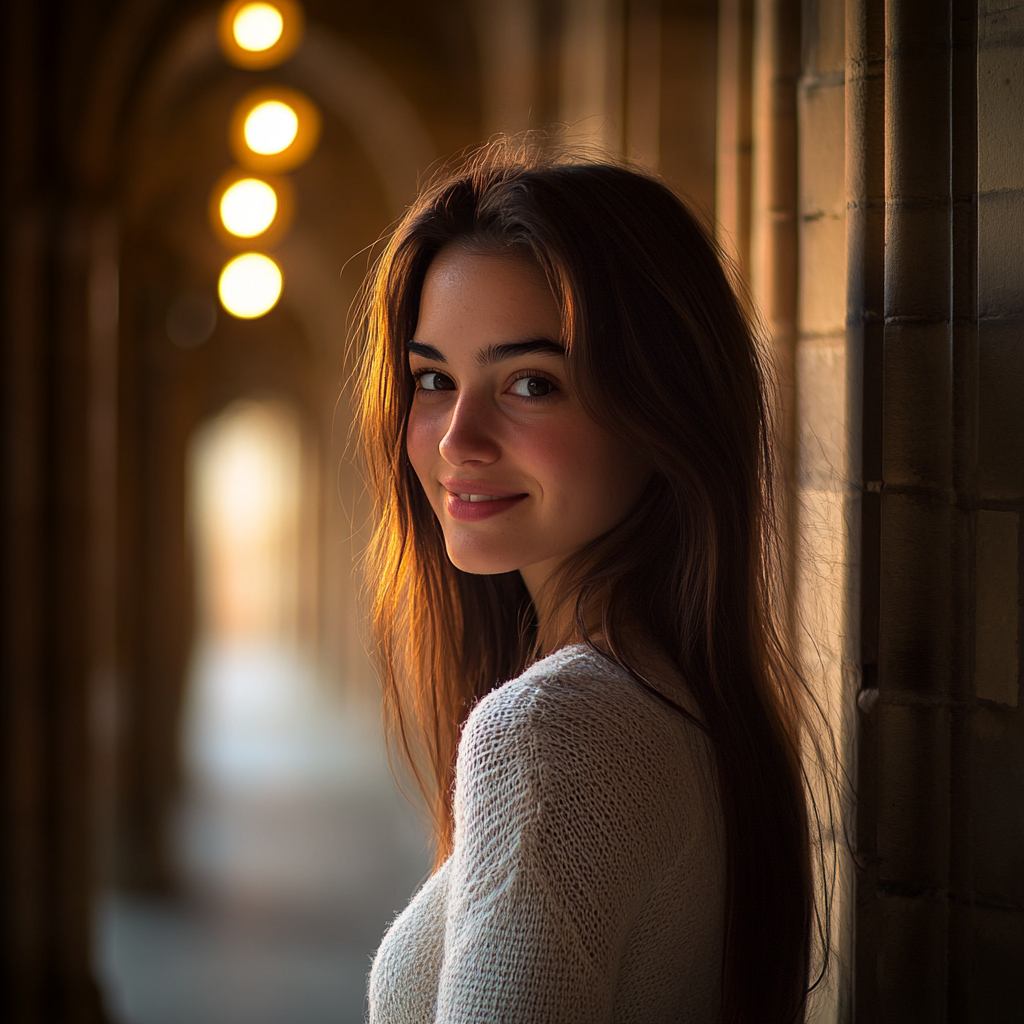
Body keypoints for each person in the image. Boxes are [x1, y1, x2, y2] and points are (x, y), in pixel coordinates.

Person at [354, 140, 821, 1024]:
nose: (457, 438)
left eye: (531, 383)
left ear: (661, 410)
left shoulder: (546, 735)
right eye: (432, 380)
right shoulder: (685, 702)